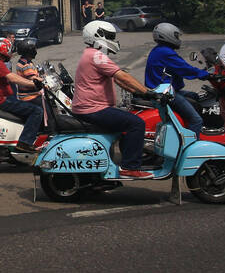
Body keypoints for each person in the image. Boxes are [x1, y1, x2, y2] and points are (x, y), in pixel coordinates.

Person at [71, 21, 154, 178]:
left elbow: (118, 80)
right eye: (109, 36)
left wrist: (142, 92)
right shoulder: (96, 56)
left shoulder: (90, 54)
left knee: (126, 124)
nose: (112, 39)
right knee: (136, 123)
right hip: (92, 109)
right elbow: (122, 75)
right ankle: (129, 167)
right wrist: (147, 92)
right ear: (97, 35)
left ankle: (124, 162)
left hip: (89, 107)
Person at [144, 22, 209, 133]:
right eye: (176, 36)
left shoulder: (159, 50)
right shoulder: (166, 52)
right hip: (166, 93)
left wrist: (200, 72)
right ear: (168, 35)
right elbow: (184, 69)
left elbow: (179, 68)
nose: (178, 39)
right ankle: (191, 147)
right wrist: (206, 75)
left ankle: (183, 127)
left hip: (164, 89)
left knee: (195, 96)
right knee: (196, 120)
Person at [0, 38, 45, 153]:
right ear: (3, 50)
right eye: (9, 49)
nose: (11, 52)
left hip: (5, 99)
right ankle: (25, 142)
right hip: (1, 101)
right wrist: (32, 84)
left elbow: (12, 76)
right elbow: (12, 77)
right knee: (37, 111)